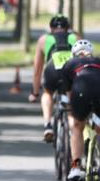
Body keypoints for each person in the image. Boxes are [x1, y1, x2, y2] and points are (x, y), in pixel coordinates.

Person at [62, 39, 100, 181]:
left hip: (82, 89)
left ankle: (75, 167)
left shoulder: (69, 64)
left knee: (78, 127)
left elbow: (68, 94)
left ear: (74, 54)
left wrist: (72, 111)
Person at [30, 14, 78, 142]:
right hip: (71, 70)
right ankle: (75, 134)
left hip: (52, 69)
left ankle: (47, 125)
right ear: (68, 28)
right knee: (71, 108)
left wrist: (35, 93)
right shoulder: (75, 37)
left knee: (48, 93)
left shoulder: (43, 40)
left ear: (51, 29)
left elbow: (37, 70)